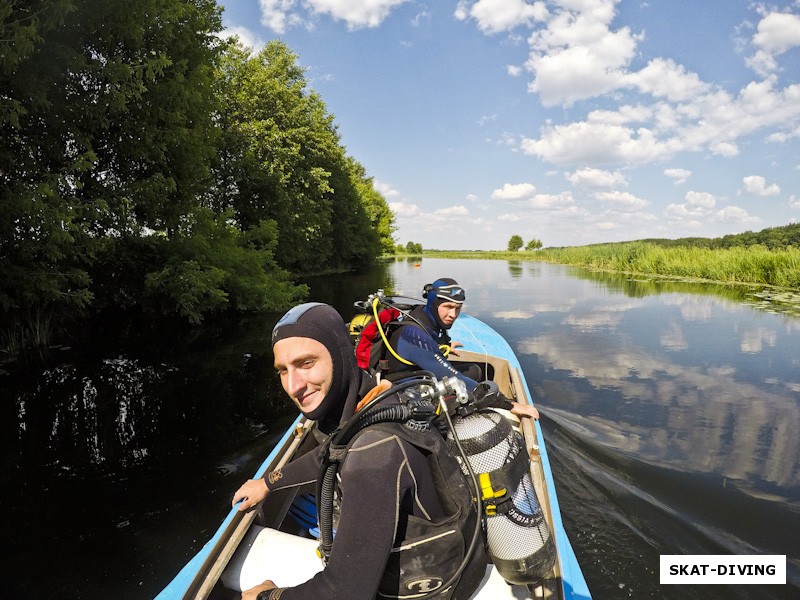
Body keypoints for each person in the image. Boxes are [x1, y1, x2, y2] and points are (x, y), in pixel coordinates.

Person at [231, 302, 486, 600]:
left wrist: (266, 596)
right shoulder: (375, 403)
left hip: (432, 586)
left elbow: (345, 593)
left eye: (306, 363)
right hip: (449, 555)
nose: (293, 385)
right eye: (282, 370)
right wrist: (267, 483)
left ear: (340, 356)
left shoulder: (373, 454)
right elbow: (330, 454)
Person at [377, 278, 539, 420]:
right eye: (447, 307)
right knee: (469, 389)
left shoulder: (421, 316)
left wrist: (445, 347)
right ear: (433, 304)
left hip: (418, 376)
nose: (453, 314)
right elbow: (451, 376)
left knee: (475, 370)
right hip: (403, 393)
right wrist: (509, 405)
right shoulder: (413, 334)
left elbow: (432, 340)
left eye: (458, 308)